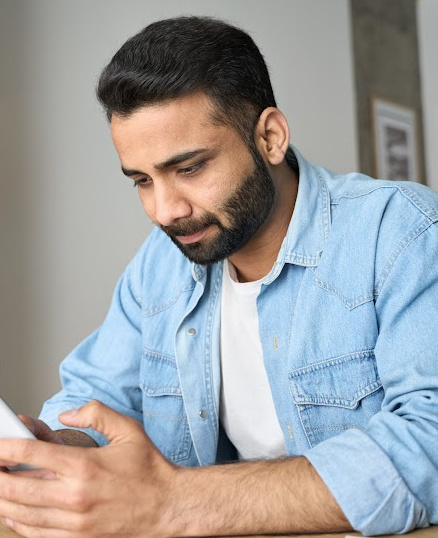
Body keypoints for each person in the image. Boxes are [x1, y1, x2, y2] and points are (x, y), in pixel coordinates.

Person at [1, 15, 438, 537]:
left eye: (189, 169)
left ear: (270, 137)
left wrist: (174, 502)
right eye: (142, 180)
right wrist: (56, 448)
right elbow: (100, 397)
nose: (164, 211)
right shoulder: (160, 266)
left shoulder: (400, 232)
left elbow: (429, 443)